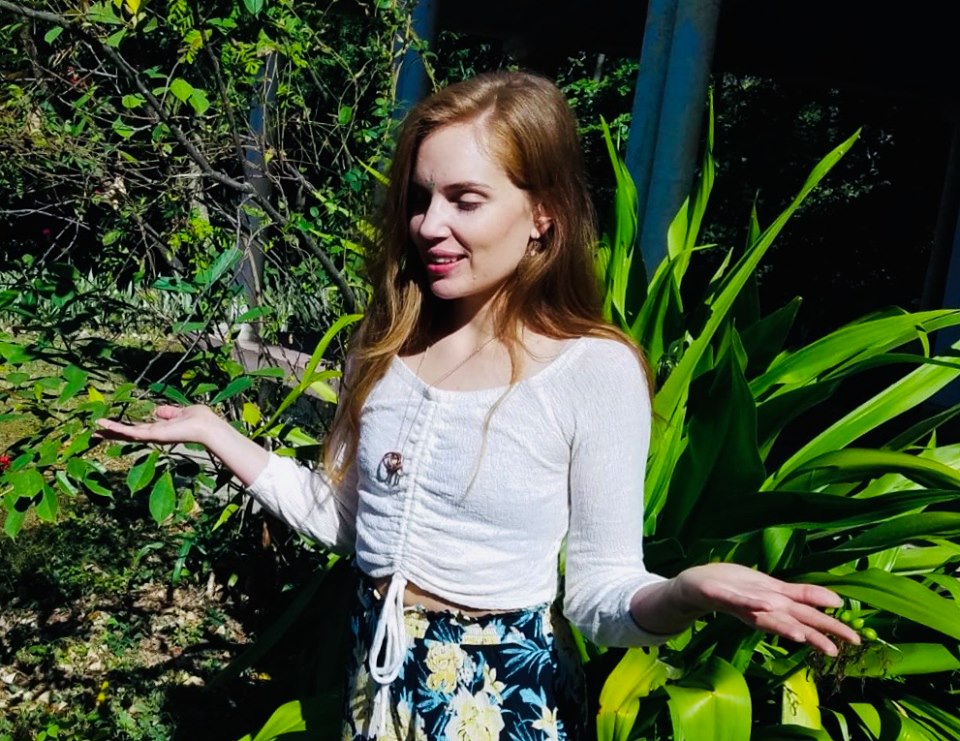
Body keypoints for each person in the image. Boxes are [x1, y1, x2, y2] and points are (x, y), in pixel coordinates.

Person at [96, 71, 858, 740]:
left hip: (501, 700)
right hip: (376, 687)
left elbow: (600, 596)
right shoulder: (386, 345)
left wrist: (685, 592)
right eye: (420, 199)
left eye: (465, 199)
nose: (430, 225)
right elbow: (352, 523)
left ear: (542, 214)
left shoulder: (591, 371)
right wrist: (215, 432)